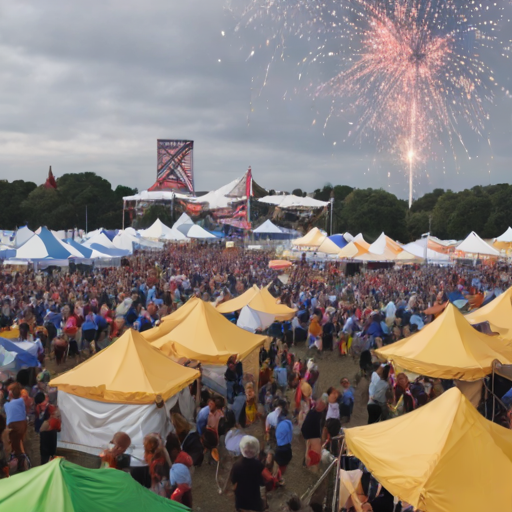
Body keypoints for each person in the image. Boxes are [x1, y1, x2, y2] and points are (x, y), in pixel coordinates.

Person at [231, 435, 265, 512]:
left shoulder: (236, 465)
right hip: (255, 499)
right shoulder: (259, 465)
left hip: (241, 500)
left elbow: (233, 481)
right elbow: (263, 482)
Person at [4, 382, 28, 472]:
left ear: (11, 393)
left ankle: (19, 464)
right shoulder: (21, 401)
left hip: (13, 425)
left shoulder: (7, 405)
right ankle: (22, 460)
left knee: (15, 445)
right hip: (23, 423)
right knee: (20, 443)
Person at [34, 392, 61, 464]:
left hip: (50, 434)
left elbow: (42, 427)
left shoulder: (51, 409)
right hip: (45, 436)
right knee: (45, 456)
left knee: (48, 455)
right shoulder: (40, 409)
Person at [301, 396, 327, 468]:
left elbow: (319, 427)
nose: (318, 404)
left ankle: (307, 463)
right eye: (318, 403)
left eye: (320, 404)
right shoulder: (313, 411)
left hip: (312, 434)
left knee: (310, 447)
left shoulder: (319, 416)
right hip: (309, 433)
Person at [275, 405, 293, 474]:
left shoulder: (279, 424)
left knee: (280, 465)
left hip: (281, 448)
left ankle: (279, 475)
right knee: (283, 465)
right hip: (287, 447)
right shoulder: (289, 423)